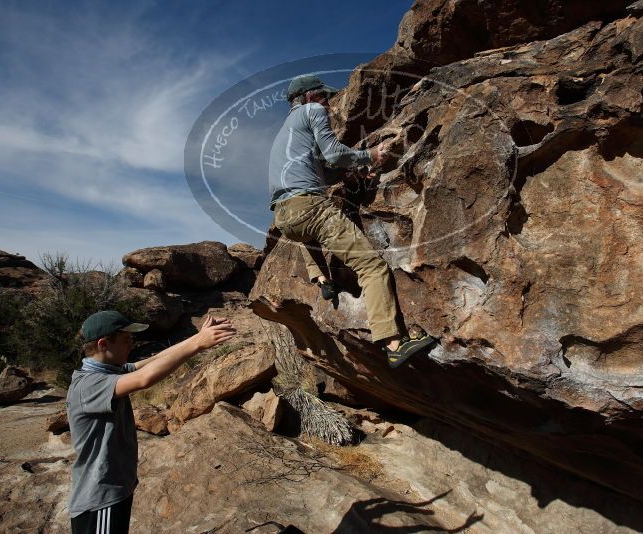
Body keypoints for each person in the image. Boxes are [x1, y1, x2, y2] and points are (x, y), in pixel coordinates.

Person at [268, 74, 436, 368]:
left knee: (306, 231)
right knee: (372, 266)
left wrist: (353, 168)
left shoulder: (288, 129)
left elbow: (326, 164)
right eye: (324, 97)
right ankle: (393, 344)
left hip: (283, 214)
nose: (328, 104)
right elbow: (334, 153)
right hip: (308, 205)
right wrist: (371, 155)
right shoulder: (313, 111)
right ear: (310, 97)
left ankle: (320, 278)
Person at [66, 310, 236, 533]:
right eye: (126, 340)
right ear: (103, 344)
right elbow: (144, 379)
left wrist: (198, 338)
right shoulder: (88, 384)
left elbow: (154, 361)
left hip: (115, 491)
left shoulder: (109, 371)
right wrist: (197, 345)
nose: (131, 345)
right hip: (99, 499)